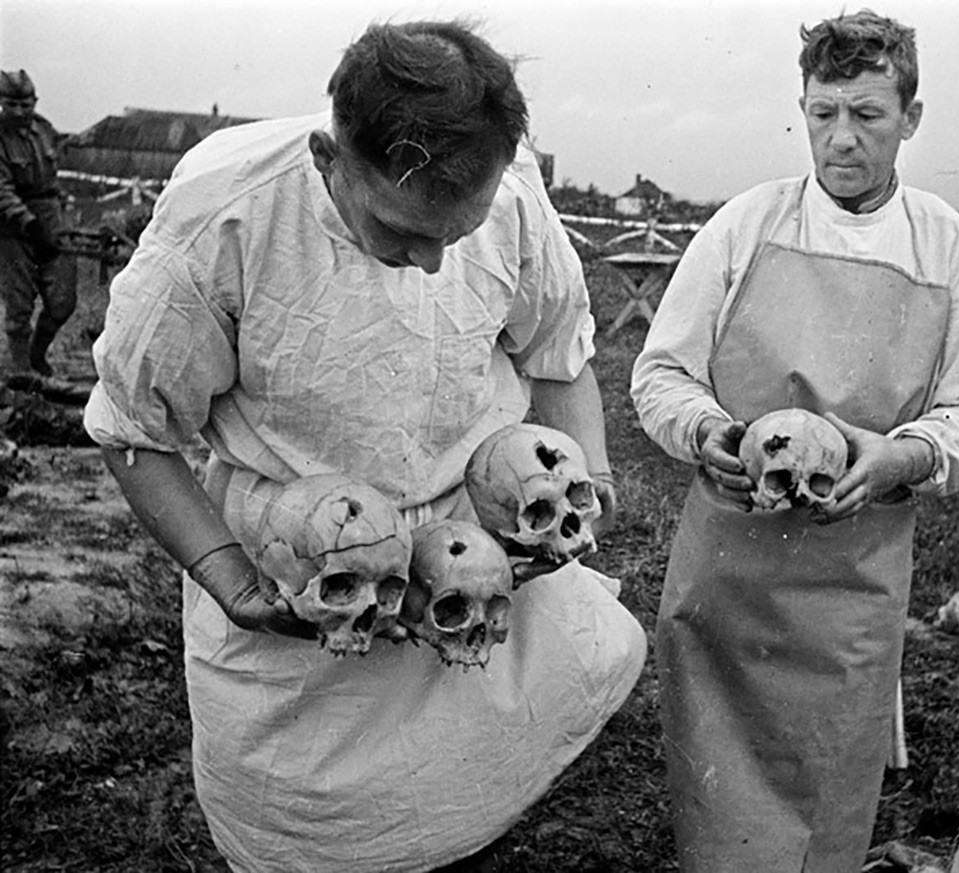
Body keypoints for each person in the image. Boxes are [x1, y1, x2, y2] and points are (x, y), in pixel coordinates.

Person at [84, 20, 646, 873]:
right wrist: (230, 581)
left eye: (454, 236)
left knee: (464, 815)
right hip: (306, 583)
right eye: (399, 230)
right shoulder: (226, 218)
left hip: (467, 566)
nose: (429, 264)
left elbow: (558, 356)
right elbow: (133, 429)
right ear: (327, 156)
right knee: (305, 843)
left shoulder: (513, 196)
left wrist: (585, 484)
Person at [631, 8, 959, 872]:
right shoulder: (744, 226)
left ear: (911, 118)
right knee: (718, 809)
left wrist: (898, 457)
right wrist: (710, 431)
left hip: (852, 583)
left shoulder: (950, 251)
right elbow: (659, 375)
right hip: (730, 574)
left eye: (868, 116)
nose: (842, 140)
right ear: (803, 109)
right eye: (823, 113)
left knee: (826, 813)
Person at [0, 68, 72, 379]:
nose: (19, 111)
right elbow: (1, 190)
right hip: (12, 229)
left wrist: (54, 218)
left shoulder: (44, 130)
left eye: (25, 104)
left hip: (51, 220)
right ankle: (19, 376)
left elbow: (53, 177)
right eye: (11, 104)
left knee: (63, 300)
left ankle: (36, 356)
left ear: (35, 102)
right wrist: (29, 224)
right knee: (19, 308)